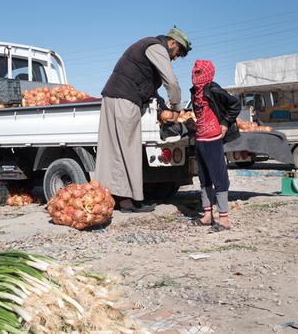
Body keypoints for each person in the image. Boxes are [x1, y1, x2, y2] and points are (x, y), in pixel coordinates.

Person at [95, 27, 191, 213]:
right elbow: (170, 81)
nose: (176, 58)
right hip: (124, 99)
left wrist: (162, 106)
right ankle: (131, 203)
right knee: (129, 149)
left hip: (113, 96)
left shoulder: (147, 46)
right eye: (178, 53)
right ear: (172, 43)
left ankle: (109, 197)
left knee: (114, 151)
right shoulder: (157, 48)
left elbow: (148, 87)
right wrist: (177, 108)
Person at [189, 59, 240, 231]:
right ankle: (207, 215)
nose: (195, 76)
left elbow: (235, 104)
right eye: (194, 72)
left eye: (198, 72)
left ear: (207, 73)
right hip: (200, 139)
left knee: (219, 178)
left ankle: (224, 219)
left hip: (213, 140)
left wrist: (225, 123)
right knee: (204, 179)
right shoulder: (195, 92)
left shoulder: (213, 88)